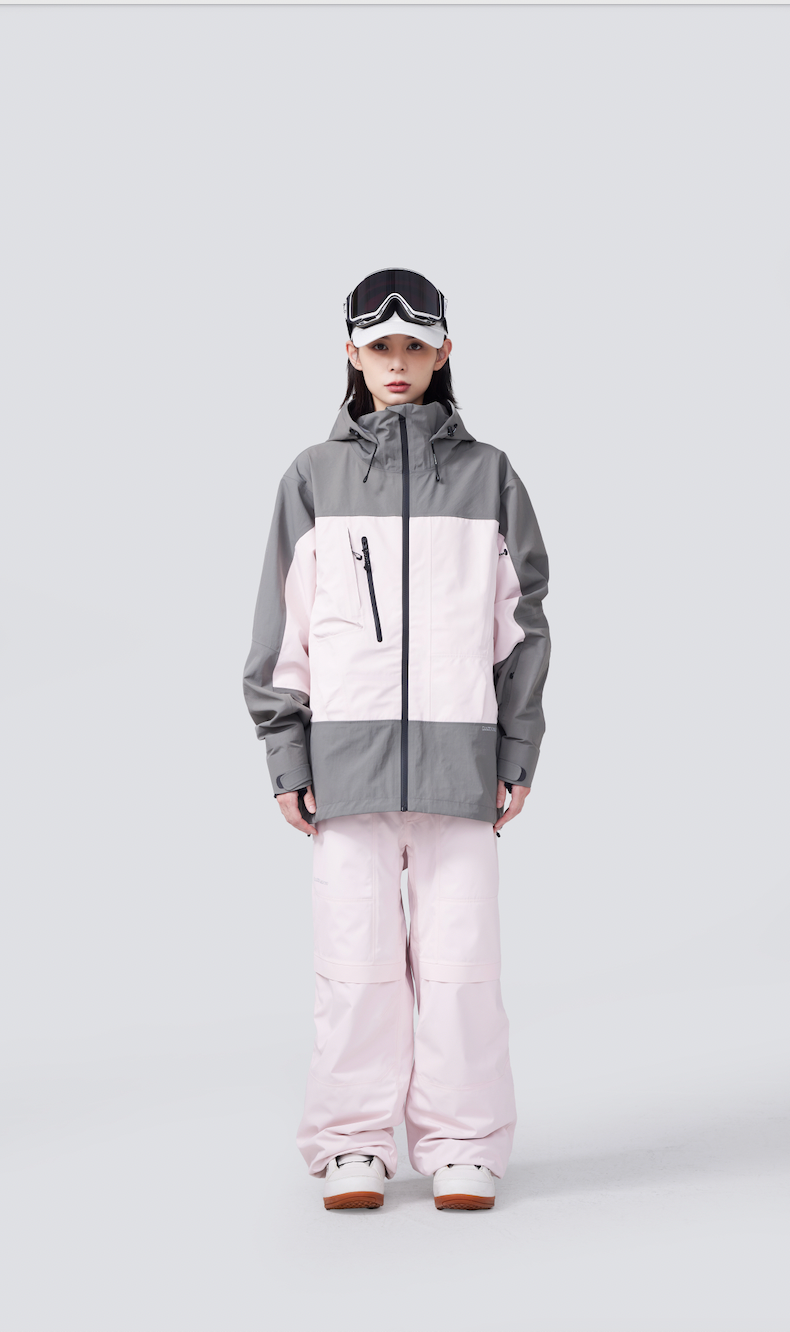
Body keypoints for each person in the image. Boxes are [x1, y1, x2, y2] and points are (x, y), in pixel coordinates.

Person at [243, 268, 550, 1211]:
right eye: (380, 347)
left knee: (462, 970)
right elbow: (283, 629)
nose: (398, 363)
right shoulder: (314, 478)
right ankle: (352, 1144)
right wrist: (288, 755)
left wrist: (516, 750)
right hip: (349, 767)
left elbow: (522, 625)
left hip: (461, 766)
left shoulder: (490, 476)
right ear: (352, 352)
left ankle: (464, 1143)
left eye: (416, 345)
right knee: (356, 968)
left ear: (444, 350)